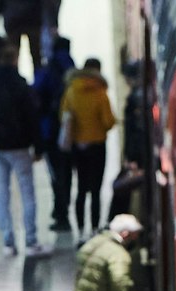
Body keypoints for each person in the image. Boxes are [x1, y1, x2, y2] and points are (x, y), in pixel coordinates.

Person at [0, 45, 47, 256]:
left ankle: (8, 241)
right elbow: (32, 118)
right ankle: (31, 240)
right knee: (27, 192)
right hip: (19, 146)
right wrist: (38, 146)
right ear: (15, 59)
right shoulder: (20, 85)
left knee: (1, 193)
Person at [60, 58, 117, 232]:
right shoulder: (100, 92)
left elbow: (63, 116)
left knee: (81, 189)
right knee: (96, 190)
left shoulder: (71, 91)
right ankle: (93, 228)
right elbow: (108, 121)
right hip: (97, 145)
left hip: (78, 146)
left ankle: (79, 229)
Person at [34, 35, 78, 234]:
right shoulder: (74, 72)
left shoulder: (47, 71)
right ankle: (63, 209)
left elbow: (35, 97)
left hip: (51, 131)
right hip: (73, 132)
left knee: (56, 174)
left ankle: (61, 213)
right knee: (66, 172)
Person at [0, 0, 54, 67]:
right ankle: (39, 76)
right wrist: (53, 22)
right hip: (32, 19)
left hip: (14, 19)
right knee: (36, 56)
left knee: (11, 57)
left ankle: (11, 75)